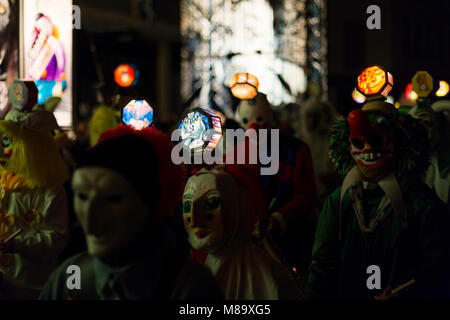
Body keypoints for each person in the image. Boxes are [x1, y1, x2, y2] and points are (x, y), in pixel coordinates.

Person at [305, 68, 450, 299]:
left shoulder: (422, 206)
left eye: (376, 139)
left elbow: (438, 271)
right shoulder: (338, 202)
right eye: (359, 143)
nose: (368, 149)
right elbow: (322, 266)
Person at [40, 125, 223, 300]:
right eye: (82, 196)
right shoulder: (72, 275)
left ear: (149, 201)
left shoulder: (190, 287)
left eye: (113, 198)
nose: (90, 220)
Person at [183, 164, 301, 299]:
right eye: (187, 205)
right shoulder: (190, 272)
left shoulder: (268, 277)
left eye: (212, 202)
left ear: (237, 208)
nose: (193, 221)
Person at [0, 107, 69, 299]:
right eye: (6, 140)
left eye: (13, 142)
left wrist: (16, 244)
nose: (6, 149)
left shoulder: (51, 191)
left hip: (34, 284)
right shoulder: (4, 179)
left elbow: (56, 239)